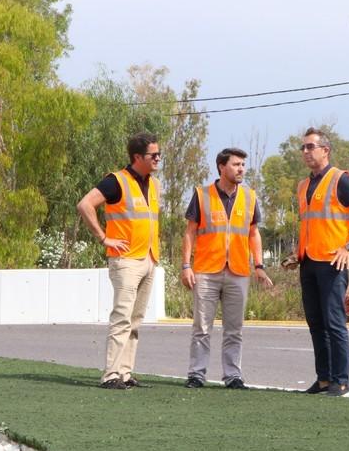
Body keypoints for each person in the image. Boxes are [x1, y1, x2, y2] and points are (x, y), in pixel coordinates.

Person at [289, 127, 349, 397]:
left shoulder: (341, 180)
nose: (305, 152)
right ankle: (324, 379)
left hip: (332, 263)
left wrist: (348, 246)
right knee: (315, 322)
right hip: (308, 262)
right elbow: (310, 225)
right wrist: (296, 253)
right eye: (303, 147)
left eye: (310, 147)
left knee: (334, 322)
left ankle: (341, 380)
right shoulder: (303, 186)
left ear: (325, 150)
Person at [180, 148, 273, 390]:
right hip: (205, 271)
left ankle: (233, 375)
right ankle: (196, 374)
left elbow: (253, 233)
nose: (241, 169)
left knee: (235, 329)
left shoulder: (250, 197)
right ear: (221, 167)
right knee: (201, 327)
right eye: (236, 164)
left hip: (238, 272)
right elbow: (190, 231)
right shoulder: (201, 195)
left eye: (243, 164)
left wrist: (259, 265)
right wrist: (186, 266)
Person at [77, 132, 161, 390]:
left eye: (159, 154)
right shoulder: (116, 181)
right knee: (122, 318)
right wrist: (104, 238)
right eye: (153, 155)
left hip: (148, 258)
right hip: (126, 260)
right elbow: (85, 205)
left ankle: (125, 373)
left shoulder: (153, 184)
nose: (158, 159)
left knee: (135, 320)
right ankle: (111, 374)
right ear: (138, 157)